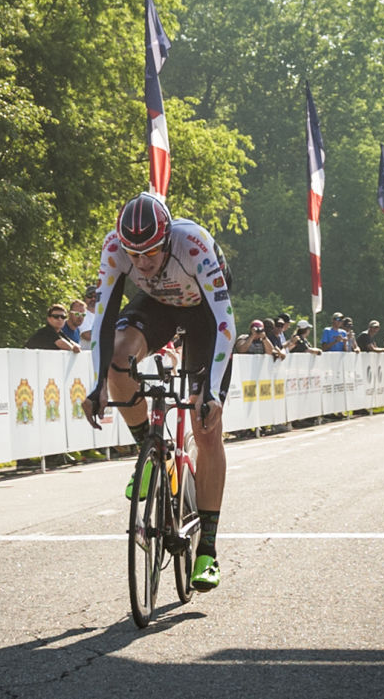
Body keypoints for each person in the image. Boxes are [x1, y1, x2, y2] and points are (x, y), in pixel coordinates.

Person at [83, 192, 233, 593]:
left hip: (204, 313)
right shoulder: (115, 248)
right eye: (134, 254)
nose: (142, 262)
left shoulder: (193, 243)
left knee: (205, 426)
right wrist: (98, 384)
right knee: (118, 358)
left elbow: (225, 323)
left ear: (166, 239)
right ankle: (150, 456)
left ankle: (208, 551)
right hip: (158, 306)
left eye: (150, 252)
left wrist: (213, 392)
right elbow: (102, 319)